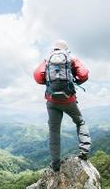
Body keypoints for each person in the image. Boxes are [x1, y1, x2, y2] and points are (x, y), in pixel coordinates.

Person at [33, 39, 91, 172]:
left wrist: (49, 83)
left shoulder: (47, 59)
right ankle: (84, 151)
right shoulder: (71, 58)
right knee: (80, 122)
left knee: (54, 132)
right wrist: (75, 80)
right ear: (66, 49)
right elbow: (84, 74)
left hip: (52, 100)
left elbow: (37, 76)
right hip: (68, 99)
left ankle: (55, 165)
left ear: (54, 49)